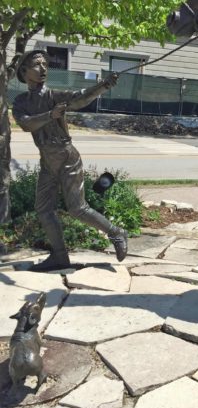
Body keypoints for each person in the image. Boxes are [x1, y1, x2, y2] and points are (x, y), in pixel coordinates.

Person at [12, 50, 127, 271]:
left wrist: (103, 86)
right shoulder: (20, 101)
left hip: (66, 157)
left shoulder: (54, 96)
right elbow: (26, 124)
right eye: (38, 65)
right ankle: (59, 257)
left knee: (77, 208)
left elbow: (79, 97)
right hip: (47, 161)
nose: (44, 68)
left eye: (46, 64)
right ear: (25, 71)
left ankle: (116, 232)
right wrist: (50, 115)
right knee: (44, 209)